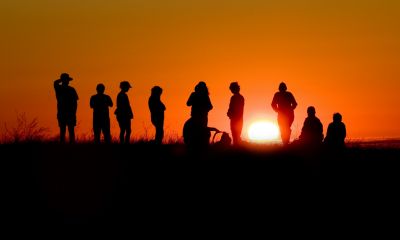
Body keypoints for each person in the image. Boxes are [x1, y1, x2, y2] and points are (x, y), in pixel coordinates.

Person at [53, 73, 78, 143]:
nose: (68, 81)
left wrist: (74, 112)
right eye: (67, 80)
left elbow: (75, 102)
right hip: (64, 112)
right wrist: (74, 112)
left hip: (67, 112)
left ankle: (68, 145)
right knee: (65, 130)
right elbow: (55, 82)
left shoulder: (69, 89)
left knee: (67, 130)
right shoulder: (60, 88)